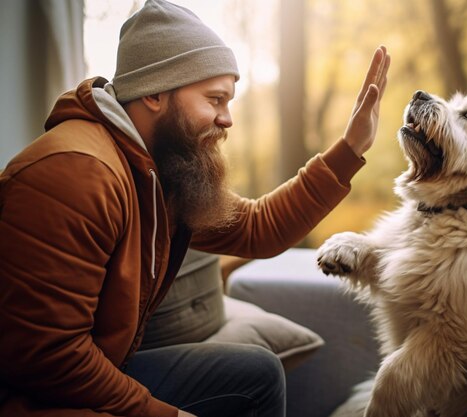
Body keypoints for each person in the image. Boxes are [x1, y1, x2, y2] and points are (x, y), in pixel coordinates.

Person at [0, 0, 390, 416]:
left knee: (255, 372)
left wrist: (349, 151)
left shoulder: (158, 169)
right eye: (215, 99)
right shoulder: (75, 173)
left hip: (94, 372)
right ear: (154, 92)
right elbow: (48, 358)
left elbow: (258, 227)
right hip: (37, 397)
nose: (227, 119)